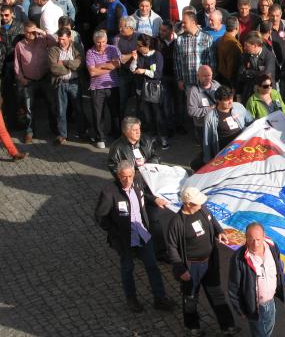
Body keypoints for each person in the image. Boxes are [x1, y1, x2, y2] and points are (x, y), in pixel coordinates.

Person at [95, 160, 174, 313]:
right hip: (124, 240)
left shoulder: (137, 182)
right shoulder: (109, 191)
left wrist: (155, 199)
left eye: (130, 176)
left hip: (143, 234)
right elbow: (100, 216)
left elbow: (144, 194)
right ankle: (131, 300)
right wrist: (115, 232)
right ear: (118, 175)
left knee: (152, 266)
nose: (127, 180)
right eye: (124, 177)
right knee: (127, 269)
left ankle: (160, 298)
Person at [166, 187, 238, 336]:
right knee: (191, 297)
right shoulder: (177, 222)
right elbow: (171, 247)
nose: (201, 204)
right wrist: (181, 269)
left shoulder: (202, 210)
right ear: (188, 204)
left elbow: (213, 221)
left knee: (216, 293)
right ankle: (192, 326)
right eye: (197, 203)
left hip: (210, 261)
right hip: (192, 266)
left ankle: (227, 326)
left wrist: (220, 232)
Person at [227, 222, 285, 337]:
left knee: (267, 331)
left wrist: (284, 281)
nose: (255, 244)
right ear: (246, 238)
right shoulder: (238, 258)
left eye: (258, 239)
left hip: (270, 302)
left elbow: (279, 266)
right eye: (252, 240)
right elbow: (233, 287)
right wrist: (240, 310)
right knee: (260, 334)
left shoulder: (272, 247)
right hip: (255, 307)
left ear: (264, 236)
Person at [14, 22, 56, 143]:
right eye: (28, 32)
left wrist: (42, 32)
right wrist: (22, 79)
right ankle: (29, 132)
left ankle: (55, 128)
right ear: (24, 32)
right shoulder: (20, 45)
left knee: (52, 104)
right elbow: (17, 65)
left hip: (44, 78)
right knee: (29, 108)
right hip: (29, 80)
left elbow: (55, 42)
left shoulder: (43, 40)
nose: (30, 34)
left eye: (33, 32)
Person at [49, 27, 84, 144]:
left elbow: (79, 65)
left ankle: (82, 132)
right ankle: (62, 134)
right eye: (59, 39)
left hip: (75, 82)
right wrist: (70, 67)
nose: (61, 42)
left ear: (69, 38)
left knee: (78, 108)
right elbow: (54, 68)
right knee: (61, 110)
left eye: (63, 39)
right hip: (60, 83)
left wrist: (64, 62)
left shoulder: (77, 47)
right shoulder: (53, 49)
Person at [201, 86, 254, 164]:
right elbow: (207, 141)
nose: (230, 102)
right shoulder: (210, 117)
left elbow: (250, 121)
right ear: (218, 100)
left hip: (243, 147)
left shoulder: (238, 106)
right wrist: (208, 161)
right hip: (225, 153)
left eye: (231, 98)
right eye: (226, 100)